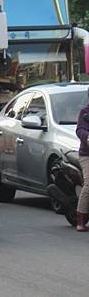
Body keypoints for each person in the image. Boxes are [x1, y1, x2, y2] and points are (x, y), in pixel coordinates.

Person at [75, 90, 89, 232]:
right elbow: (80, 130)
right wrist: (87, 137)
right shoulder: (85, 112)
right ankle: (81, 219)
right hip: (87, 155)